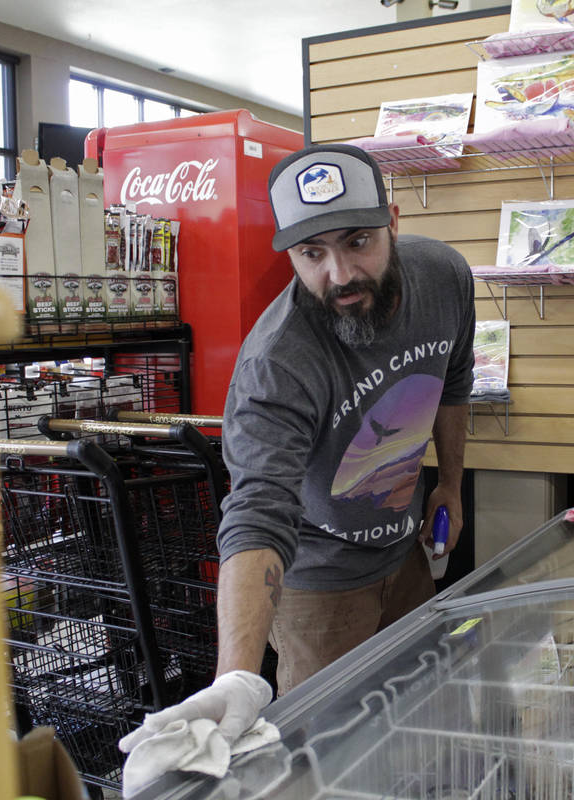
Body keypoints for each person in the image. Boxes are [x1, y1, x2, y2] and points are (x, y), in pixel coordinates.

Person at [120, 143, 475, 763]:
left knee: (428, 725)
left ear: (392, 222)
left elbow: (454, 382)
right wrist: (236, 677)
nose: (339, 275)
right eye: (313, 253)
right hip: (319, 587)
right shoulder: (276, 365)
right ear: (289, 253)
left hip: (406, 553)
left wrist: (450, 483)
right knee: (329, 757)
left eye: (358, 241)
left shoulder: (445, 277)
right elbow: (257, 513)